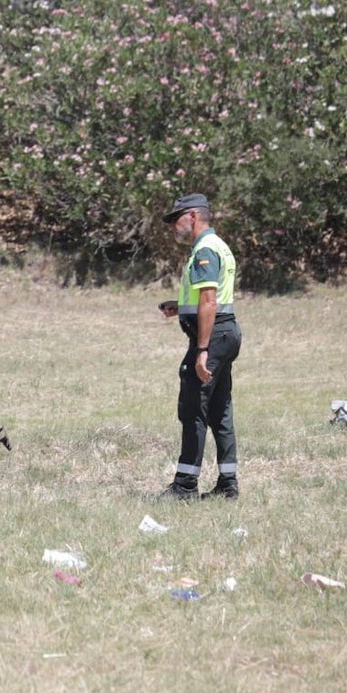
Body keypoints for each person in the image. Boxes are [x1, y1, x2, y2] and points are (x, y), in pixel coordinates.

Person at [157, 193, 241, 500]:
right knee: (220, 410)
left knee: (193, 408)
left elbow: (209, 299)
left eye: (175, 219)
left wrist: (202, 350)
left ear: (192, 216)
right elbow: (208, 300)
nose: (172, 227)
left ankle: (184, 486)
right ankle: (228, 484)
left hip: (212, 338)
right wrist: (180, 307)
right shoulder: (219, 246)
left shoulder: (205, 250)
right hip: (226, 332)